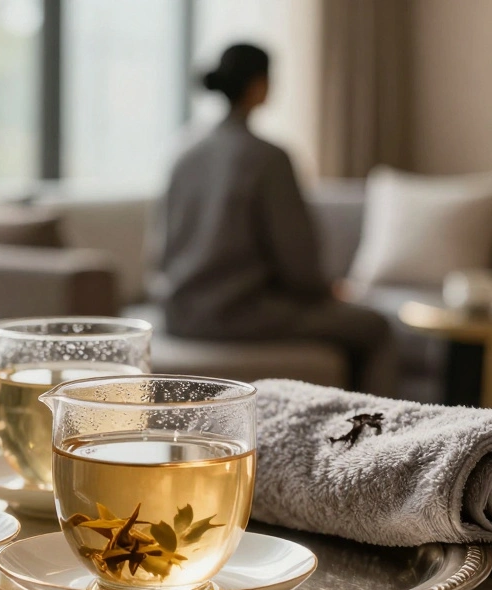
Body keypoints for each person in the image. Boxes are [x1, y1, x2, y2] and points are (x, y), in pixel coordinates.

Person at [158, 43, 396, 395]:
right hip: (240, 314)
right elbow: (298, 263)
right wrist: (326, 292)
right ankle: (376, 435)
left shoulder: (184, 152)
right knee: (374, 326)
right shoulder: (268, 158)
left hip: (180, 315)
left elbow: (160, 252)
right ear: (258, 85)